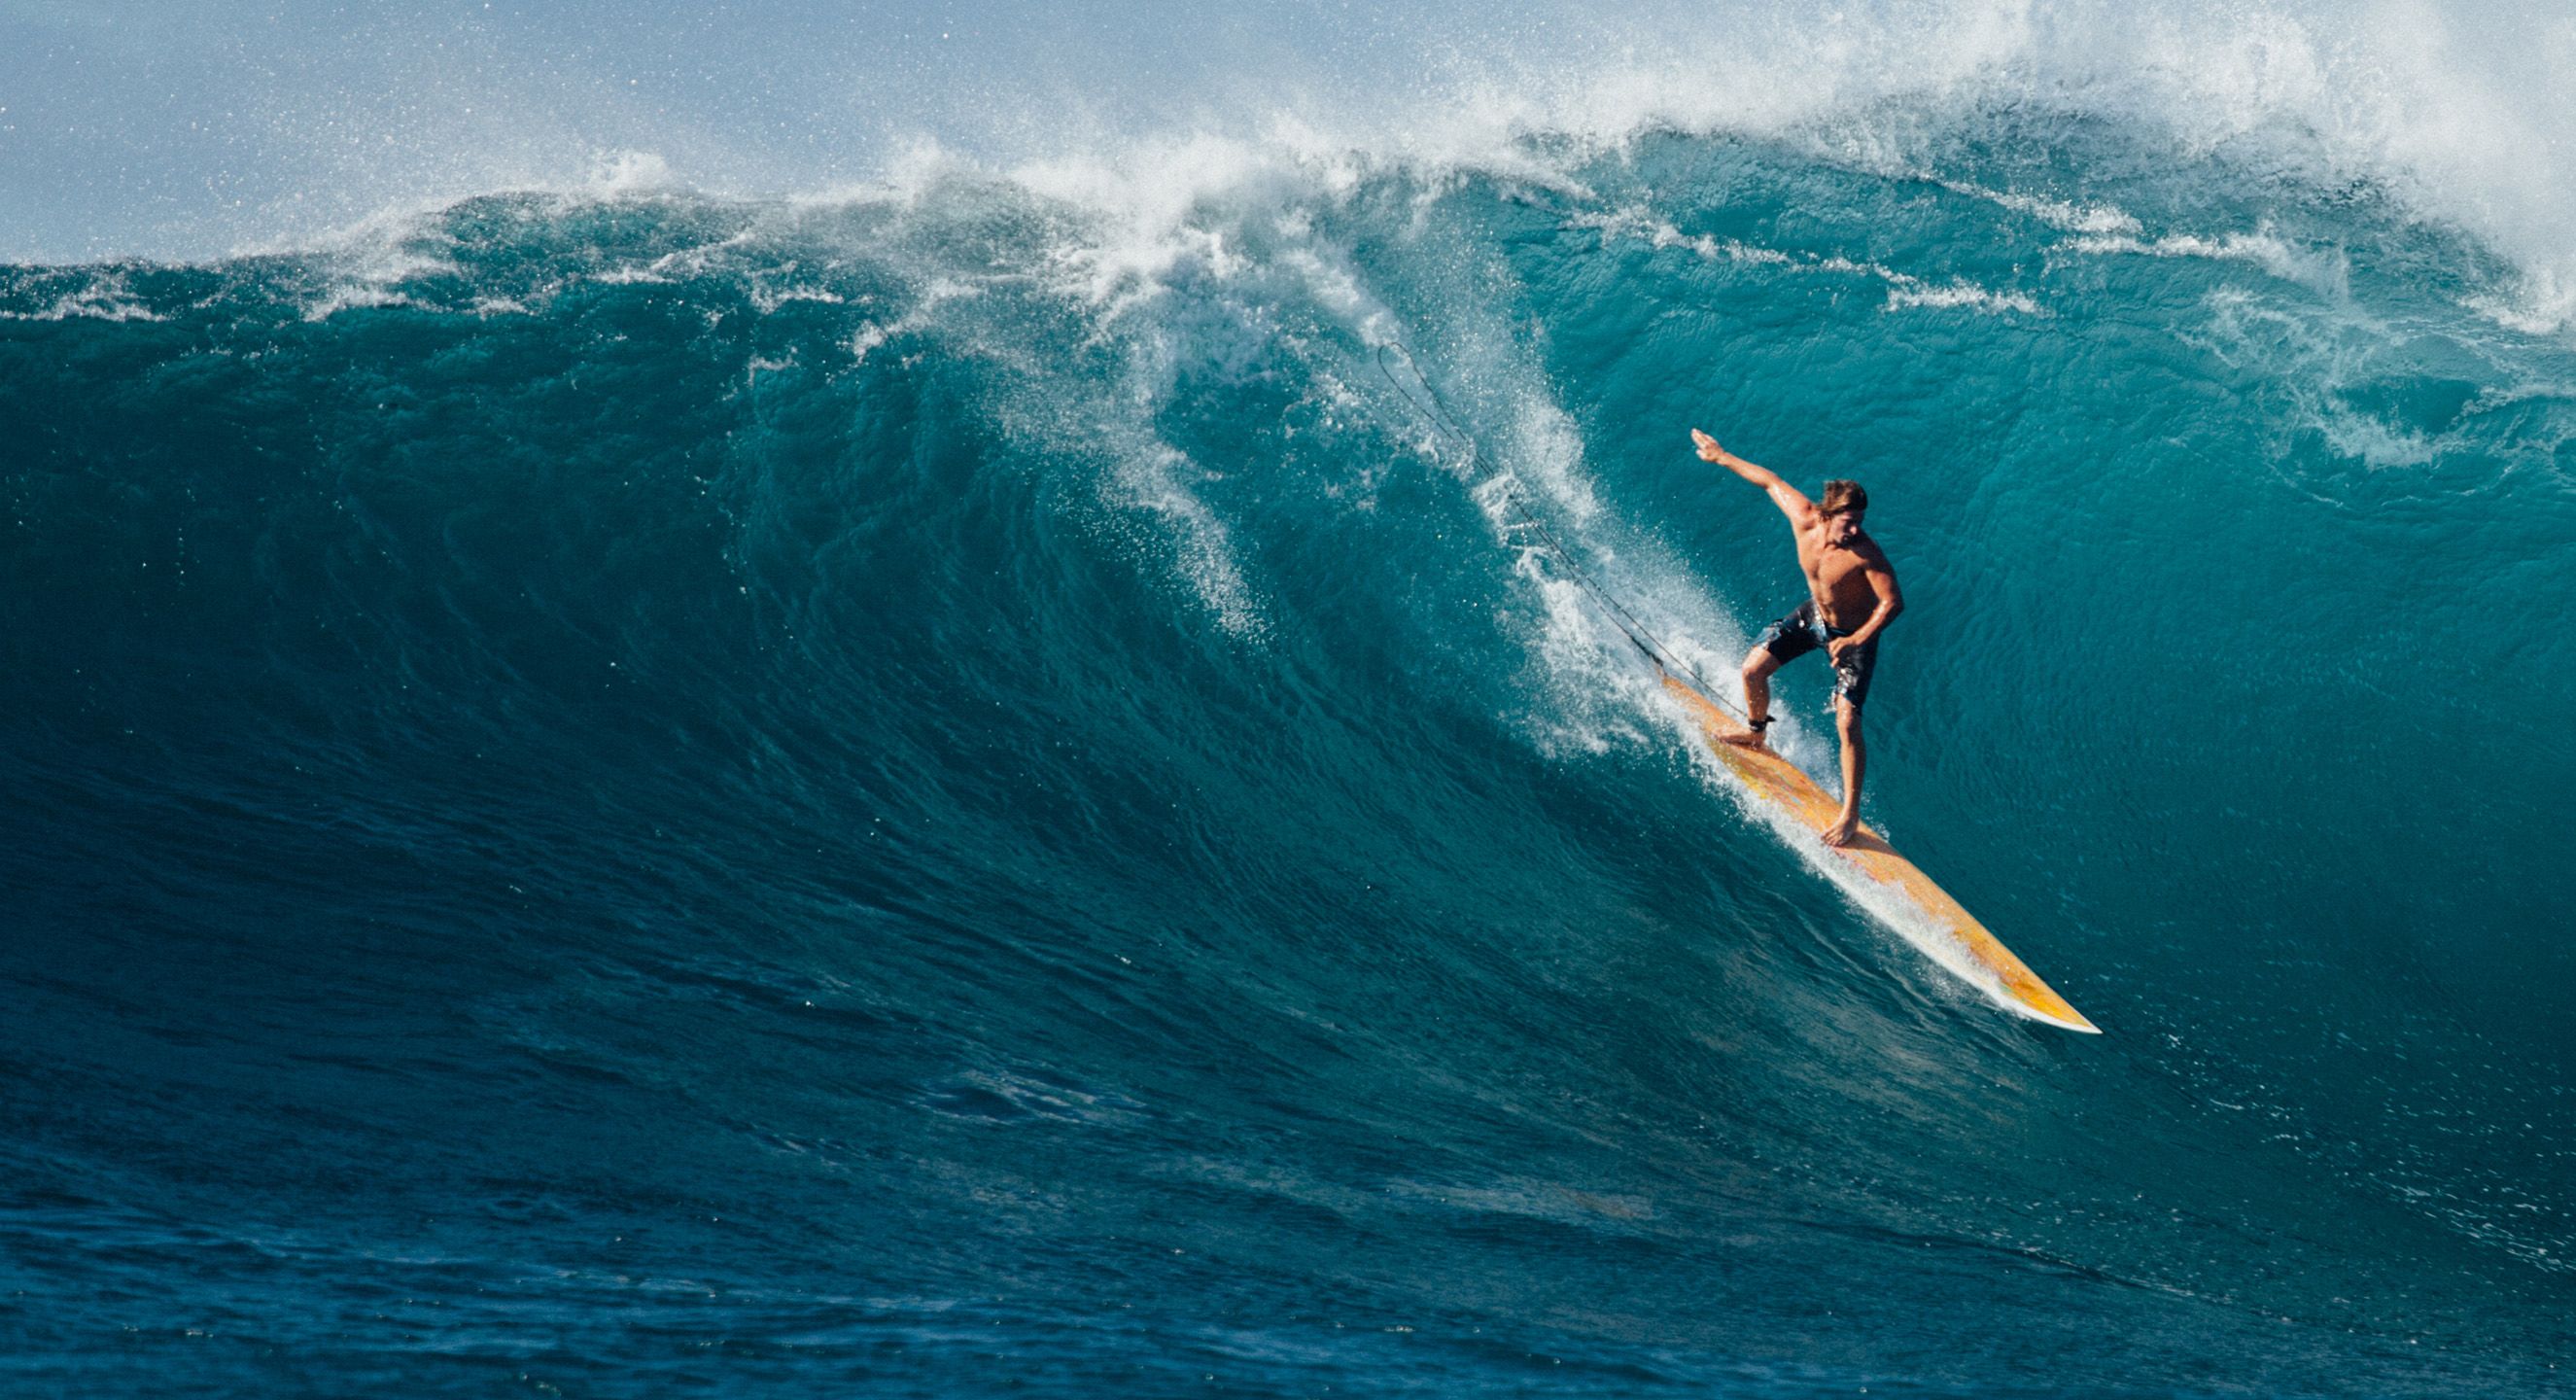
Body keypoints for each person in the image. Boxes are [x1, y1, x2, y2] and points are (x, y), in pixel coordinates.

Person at [1689, 429, 1903, 848]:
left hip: (1853, 637)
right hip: (1815, 618)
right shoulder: (1805, 519)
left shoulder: (1867, 554)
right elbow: (1769, 480)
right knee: (1752, 670)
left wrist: (1856, 638)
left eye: (1861, 522)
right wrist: (1721, 456)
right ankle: (1755, 732)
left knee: (1847, 721)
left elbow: (1893, 603)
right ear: (1827, 514)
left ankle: (1850, 815)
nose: (1857, 530)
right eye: (1849, 521)